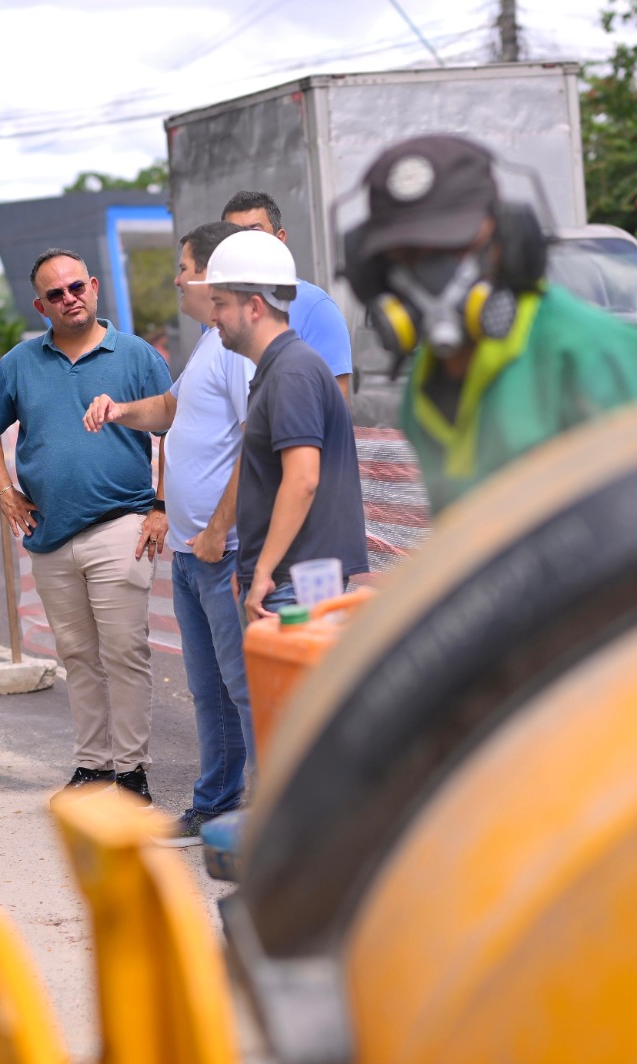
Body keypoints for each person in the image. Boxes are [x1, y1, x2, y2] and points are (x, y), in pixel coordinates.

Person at [339, 134, 637, 515]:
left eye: (454, 248)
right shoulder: (424, 380)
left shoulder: (596, 354)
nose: (431, 276)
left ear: (506, 238)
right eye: (408, 255)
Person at [82, 220, 254, 845]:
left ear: (211, 275)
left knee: (245, 690)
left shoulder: (238, 351)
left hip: (221, 550)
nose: (177, 279)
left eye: (184, 268)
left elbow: (255, 444)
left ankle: (271, 824)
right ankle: (216, 806)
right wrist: (121, 410)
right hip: (190, 551)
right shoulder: (210, 342)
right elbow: (172, 409)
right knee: (210, 691)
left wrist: (217, 530)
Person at [0, 249, 172, 804]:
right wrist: (4, 491)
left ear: (93, 286)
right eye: (56, 294)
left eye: (76, 287)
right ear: (41, 306)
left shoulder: (137, 355)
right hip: (50, 535)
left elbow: (173, 426)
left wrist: (162, 506)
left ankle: (131, 774)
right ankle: (93, 766)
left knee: (125, 653)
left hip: (121, 523)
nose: (69, 299)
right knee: (78, 657)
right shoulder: (19, 362)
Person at [197, 231, 368, 622]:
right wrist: (254, 566)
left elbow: (302, 479)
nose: (212, 317)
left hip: (293, 583)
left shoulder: (291, 372)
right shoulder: (279, 368)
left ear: (255, 307)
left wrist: (262, 572)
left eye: (220, 303)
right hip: (286, 579)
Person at [223, 190, 355, 401]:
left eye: (254, 232)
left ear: (280, 238)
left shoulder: (316, 307)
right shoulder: (219, 308)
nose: (244, 243)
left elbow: (335, 400)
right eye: (234, 235)